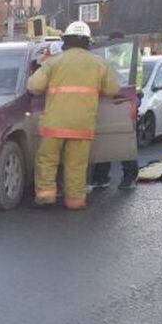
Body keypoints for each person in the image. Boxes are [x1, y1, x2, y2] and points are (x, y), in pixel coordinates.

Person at [27, 21, 119, 210]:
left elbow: (34, 87)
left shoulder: (53, 62)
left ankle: (45, 198)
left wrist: (42, 65)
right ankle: (75, 202)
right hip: (82, 125)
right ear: (88, 41)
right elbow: (112, 90)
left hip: (54, 124)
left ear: (65, 40)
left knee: (47, 161)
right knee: (76, 165)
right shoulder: (99, 64)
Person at [91, 31, 139, 190]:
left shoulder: (129, 54)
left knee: (123, 138)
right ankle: (102, 176)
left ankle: (129, 176)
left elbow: (133, 79)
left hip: (124, 98)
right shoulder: (110, 55)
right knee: (108, 137)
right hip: (113, 97)